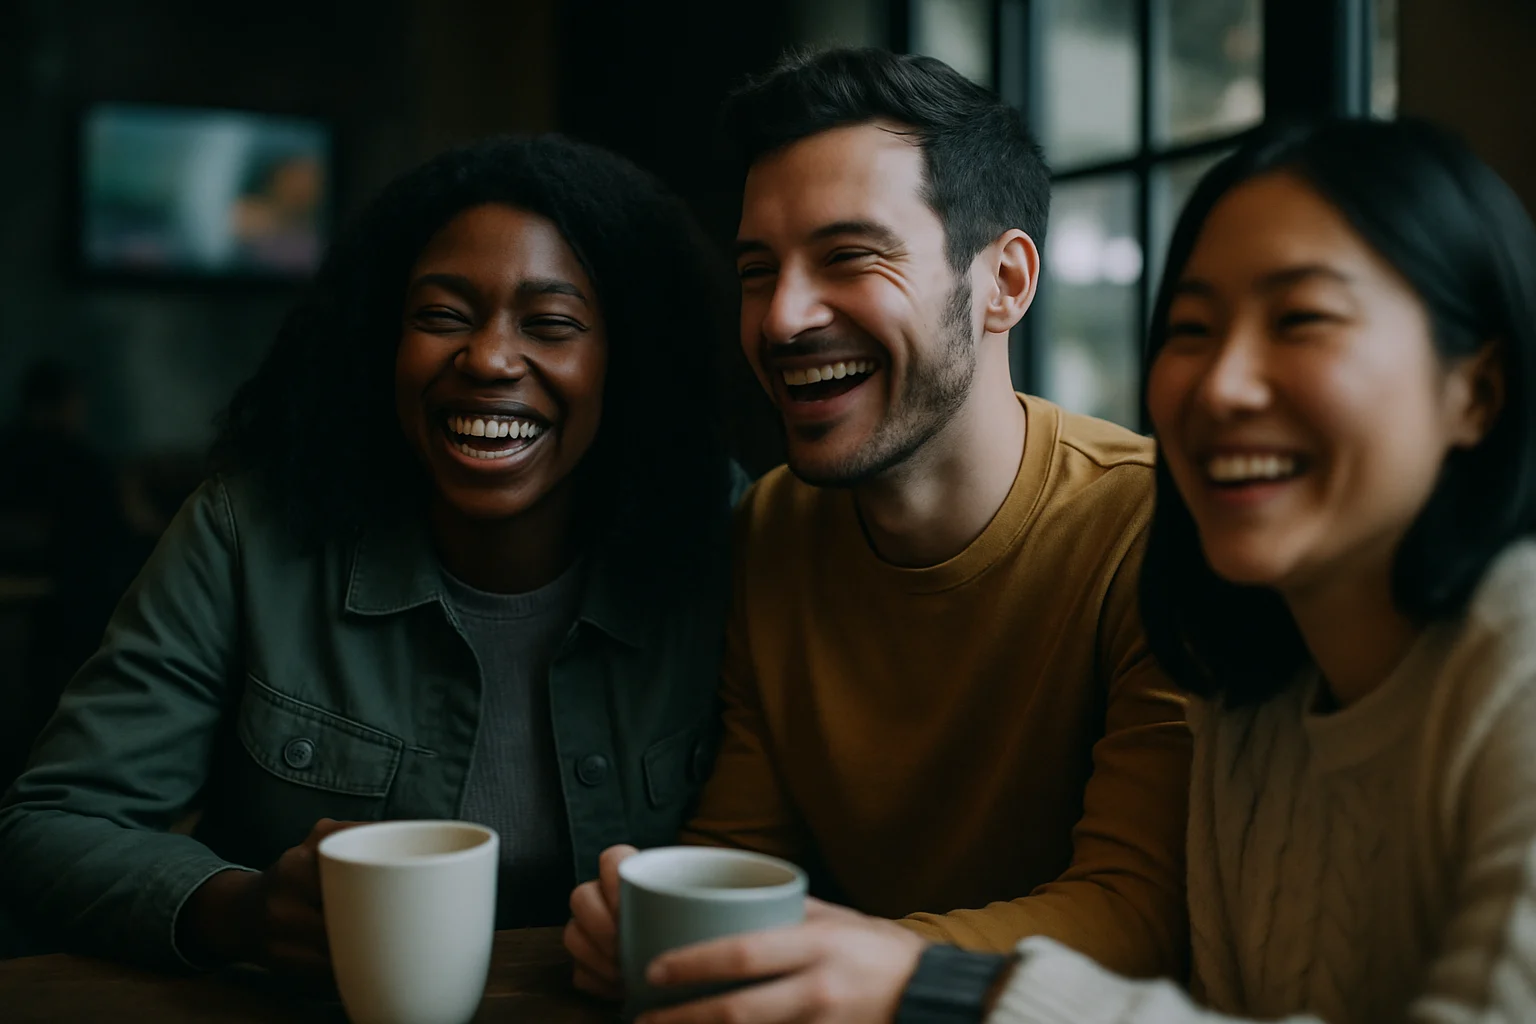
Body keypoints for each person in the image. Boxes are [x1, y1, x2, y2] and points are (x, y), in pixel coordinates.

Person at [0, 135, 740, 974]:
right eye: (442, 316)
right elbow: (53, 825)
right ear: (379, 344)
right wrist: (238, 911)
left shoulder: (723, 533)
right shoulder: (252, 532)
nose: (489, 358)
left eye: (553, 324)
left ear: (628, 363)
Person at [565, 47, 1192, 1020]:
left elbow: (1132, 913)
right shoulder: (771, 524)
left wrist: (853, 965)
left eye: (850, 257)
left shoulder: (1151, 529)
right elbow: (745, 850)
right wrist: (658, 922)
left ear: (1005, 282)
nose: (782, 317)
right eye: (757, 271)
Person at [884, 117, 1536, 1023]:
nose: (1223, 384)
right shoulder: (1247, 708)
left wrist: (954, 988)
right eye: (1190, 327)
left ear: (1475, 391)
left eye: (1301, 319)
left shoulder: (1522, 656)